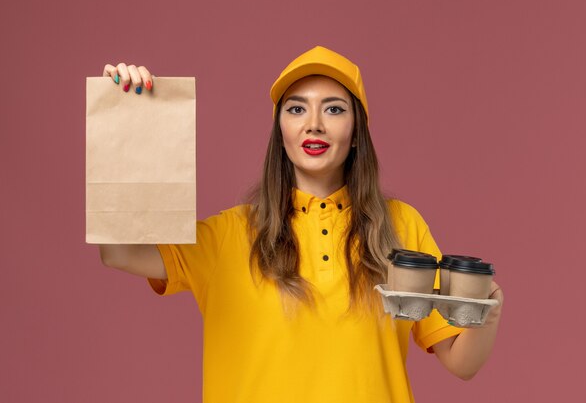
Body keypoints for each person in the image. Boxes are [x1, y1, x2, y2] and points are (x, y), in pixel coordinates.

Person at [98, 46, 504, 403]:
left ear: (356, 132)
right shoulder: (228, 234)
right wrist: (129, 124)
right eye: (296, 108)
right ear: (281, 131)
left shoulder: (401, 225)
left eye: (334, 108)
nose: (314, 123)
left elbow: (460, 361)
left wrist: (489, 312)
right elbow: (118, 252)